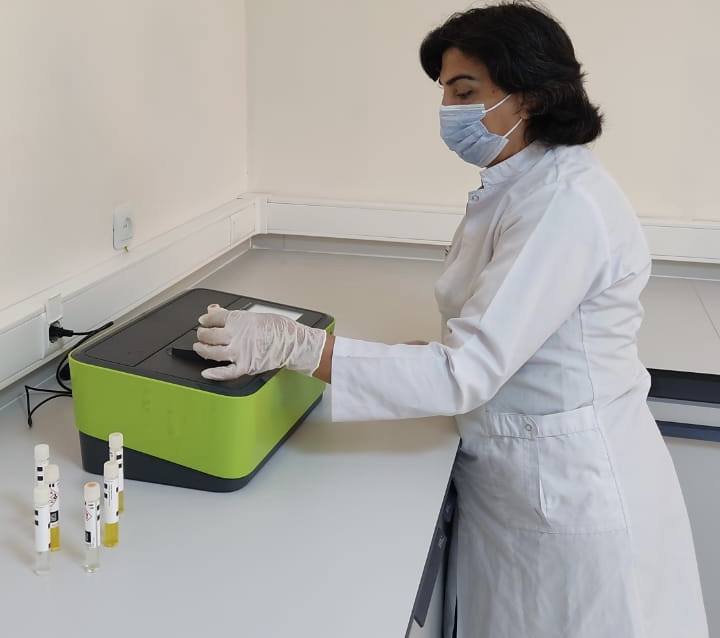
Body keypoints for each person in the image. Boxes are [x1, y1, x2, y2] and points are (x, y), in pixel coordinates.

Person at [193, 3, 708, 637]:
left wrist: (298, 347)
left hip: (569, 493)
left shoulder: (562, 203)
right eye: (444, 92)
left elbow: (466, 372)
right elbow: (486, 335)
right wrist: (406, 360)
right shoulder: (517, 182)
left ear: (529, 96)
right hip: (516, 475)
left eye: (465, 92)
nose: (448, 111)